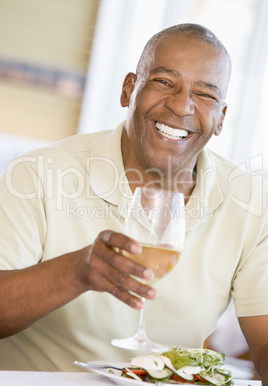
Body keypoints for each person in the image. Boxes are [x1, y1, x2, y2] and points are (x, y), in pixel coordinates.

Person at [0, 23, 268, 382]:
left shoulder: (251, 202)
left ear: (221, 118)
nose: (181, 105)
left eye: (205, 94)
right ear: (129, 89)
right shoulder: (36, 173)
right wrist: (76, 272)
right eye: (163, 82)